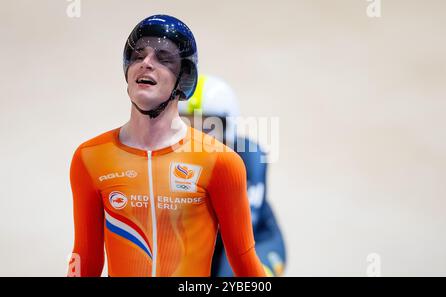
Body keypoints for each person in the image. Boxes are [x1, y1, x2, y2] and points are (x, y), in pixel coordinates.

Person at [67, 15, 266, 277]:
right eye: (138, 55)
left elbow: (246, 266)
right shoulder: (90, 158)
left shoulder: (220, 162)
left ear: (183, 77)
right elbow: (85, 262)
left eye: (163, 58)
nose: (146, 63)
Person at [179, 74, 286, 277]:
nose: (198, 139)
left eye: (209, 128)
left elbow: (237, 242)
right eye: (188, 127)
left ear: (229, 129)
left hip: (259, 244)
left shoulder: (249, 159)